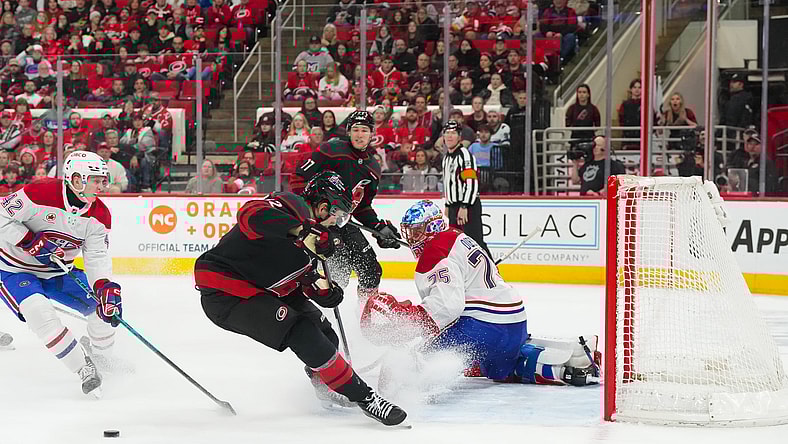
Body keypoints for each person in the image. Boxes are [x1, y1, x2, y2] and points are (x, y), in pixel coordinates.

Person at [195, 171, 407, 426]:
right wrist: (303, 231)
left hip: (264, 289)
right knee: (301, 331)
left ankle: (327, 385)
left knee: (326, 335)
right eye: (337, 214)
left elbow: (305, 282)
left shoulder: (317, 238)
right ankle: (366, 398)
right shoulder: (288, 206)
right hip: (226, 292)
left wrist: (326, 292)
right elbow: (250, 214)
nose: (338, 223)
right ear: (322, 205)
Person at [360, 200, 600, 386]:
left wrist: (410, 317)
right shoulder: (456, 236)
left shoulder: (436, 251)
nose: (412, 239)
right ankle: (569, 363)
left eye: (416, 232)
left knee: (419, 364)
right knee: (497, 367)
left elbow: (447, 307)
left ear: (432, 227)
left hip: (483, 327)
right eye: (409, 232)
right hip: (514, 323)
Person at [0, 151, 121, 397]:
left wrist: (104, 285)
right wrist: (28, 240)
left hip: (57, 271)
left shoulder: (100, 216)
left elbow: (96, 256)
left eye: (102, 180)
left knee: (103, 308)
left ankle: (102, 358)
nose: (101, 185)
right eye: (96, 180)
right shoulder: (39, 193)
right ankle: (83, 367)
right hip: (13, 269)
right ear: (76, 179)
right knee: (38, 311)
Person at [290, 111, 403, 305]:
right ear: (349, 132)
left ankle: (365, 315)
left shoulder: (373, 168)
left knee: (371, 269)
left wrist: (378, 227)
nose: (360, 135)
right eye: (356, 130)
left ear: (371, 134)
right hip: (319, 222)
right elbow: (297, 179)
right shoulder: (331, 150)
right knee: (337, 270)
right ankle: (322, 313)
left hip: (343, 222)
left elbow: (362, 207)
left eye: (364, 130)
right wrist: (313, 212)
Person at [440, 120, 490, 257]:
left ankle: (492, 273)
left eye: (453, 133)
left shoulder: (465, 155)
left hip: (468, 206)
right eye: (447, 133)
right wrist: (447, 204)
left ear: (459, 136)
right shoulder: (446, 158)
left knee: (475, 242)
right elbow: (448, 184)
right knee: (456, 244)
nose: (449, 136)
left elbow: (471, 183)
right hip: (454, 206)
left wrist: (464, 206)